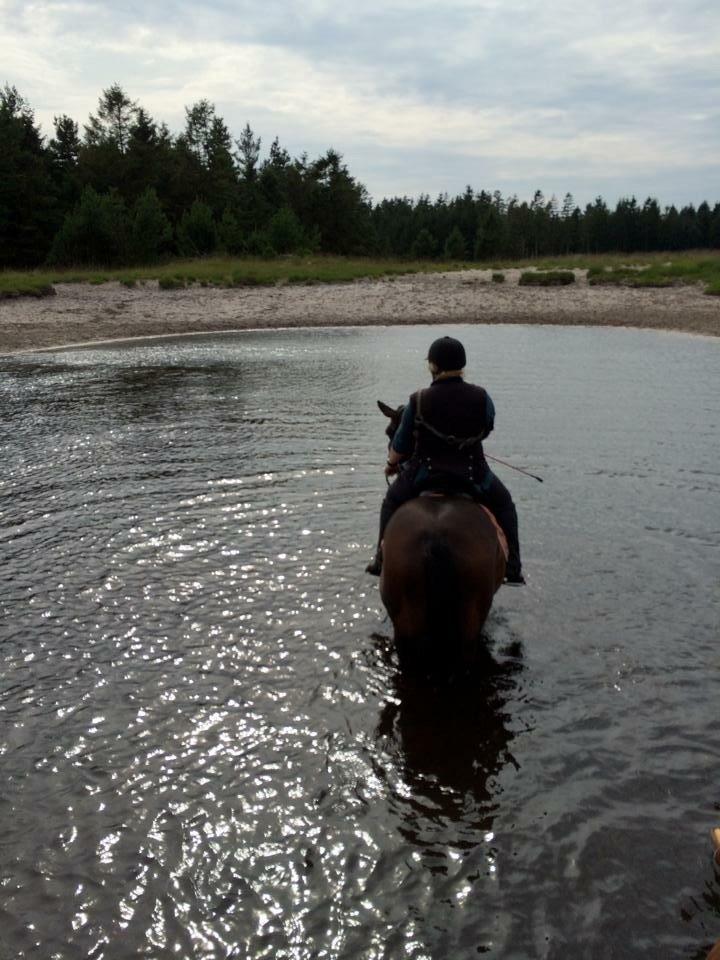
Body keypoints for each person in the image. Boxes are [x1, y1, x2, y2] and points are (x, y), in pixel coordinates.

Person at [365, 335, 525, 584]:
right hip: (474, 474)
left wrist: (390, 464)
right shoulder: (482, 397)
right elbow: (487, 427)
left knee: (391, 501)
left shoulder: (417, 400)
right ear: (462, 365)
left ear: (433, 366)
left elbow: (400, 446)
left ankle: (379, 560)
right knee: (505, 505)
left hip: (423, 474)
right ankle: (513, 567)